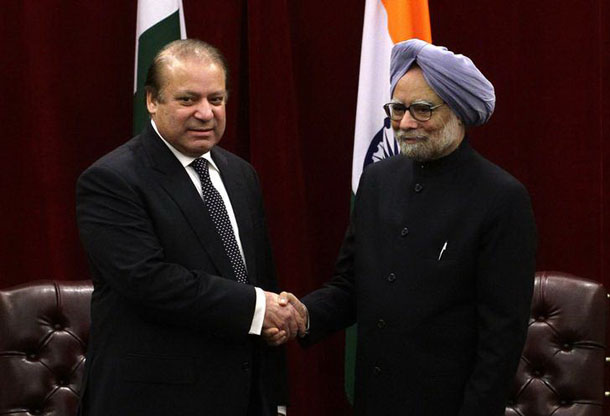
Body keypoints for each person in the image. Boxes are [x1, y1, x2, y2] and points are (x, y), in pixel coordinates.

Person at [274, 39, 537, 415]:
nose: (406, 122)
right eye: (397, 109)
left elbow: (502, 338)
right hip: (374, 400)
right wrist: (302, 315)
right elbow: (351, 286)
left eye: (422, 110)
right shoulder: (378, 180)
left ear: (458, 112)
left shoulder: (501, 198)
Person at [76, 39, 303, 416]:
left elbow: (259, 278)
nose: (205, 113)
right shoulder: (110, 180)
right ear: (152, 100)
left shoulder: (240, 174)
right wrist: (258, 308)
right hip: (154, 400)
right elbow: (148, 280)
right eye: (187, 100)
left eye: (216, 99)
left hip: (243, 395)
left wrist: (273, 395)